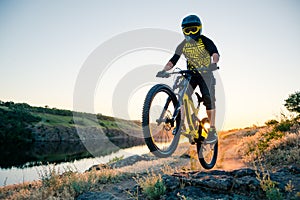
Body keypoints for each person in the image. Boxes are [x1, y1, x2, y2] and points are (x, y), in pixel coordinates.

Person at [157, 14, 220, 144]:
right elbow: (173, 61)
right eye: (187, 30)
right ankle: (181, 124)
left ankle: (212, 129)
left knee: (208, 98)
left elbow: (215, 53)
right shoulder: (183, 45)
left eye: (193, 29)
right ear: (183, 31)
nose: (191, 32)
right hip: (191, 74)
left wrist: (213, 63)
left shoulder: (205, 41)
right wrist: (164, 70)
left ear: (199, 29)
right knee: (182, 97)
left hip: (205, 74)